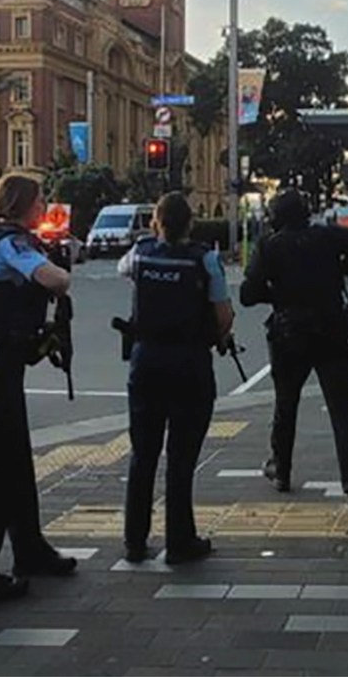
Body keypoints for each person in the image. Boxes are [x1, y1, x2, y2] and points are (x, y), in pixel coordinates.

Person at [0, 173, 77, 608]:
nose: (44, 207)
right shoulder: (10, 244)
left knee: (17, 463)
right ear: (25, 204)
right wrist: (60, 264)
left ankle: (30, 550)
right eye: (40, 200)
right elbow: (54, 280)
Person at [240, 189, 348, 521]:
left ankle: (282, 469)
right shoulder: (327, 237)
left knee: (285, 404)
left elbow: (248, 294)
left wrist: (276, 293)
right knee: (343, 412)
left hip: (289, 335)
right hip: (331, 333)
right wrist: (344, 269)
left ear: (277, 217)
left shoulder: (270, 246)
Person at [117, 191, 234, 565]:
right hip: (189, 364)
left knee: (143, 454)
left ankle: (134, 540)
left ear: (156, 221)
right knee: (182, 458)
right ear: (191, 223)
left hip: (145, 361)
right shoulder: (205, 259)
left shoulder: (139, 254)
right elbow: (223, 314)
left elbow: (124, 272)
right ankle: (180, 541)